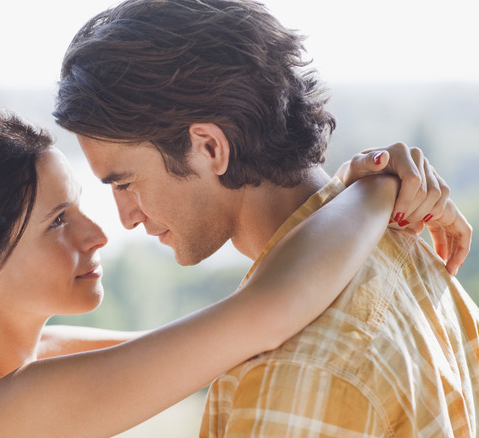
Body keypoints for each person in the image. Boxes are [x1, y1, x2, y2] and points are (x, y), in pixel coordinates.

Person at [0, 110, 459, 437]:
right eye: (57, 222)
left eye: (79, 206)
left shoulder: (28, 366)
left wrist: (367, 181)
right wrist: (376, 186)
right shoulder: (0, 417)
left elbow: (250, 328)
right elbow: (266, 313)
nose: (99, 232)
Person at [53, 0, 477, 436]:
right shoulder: (408, 253)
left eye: (124, 184)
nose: (126, 219)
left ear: (210, 148)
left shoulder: (298, 367)